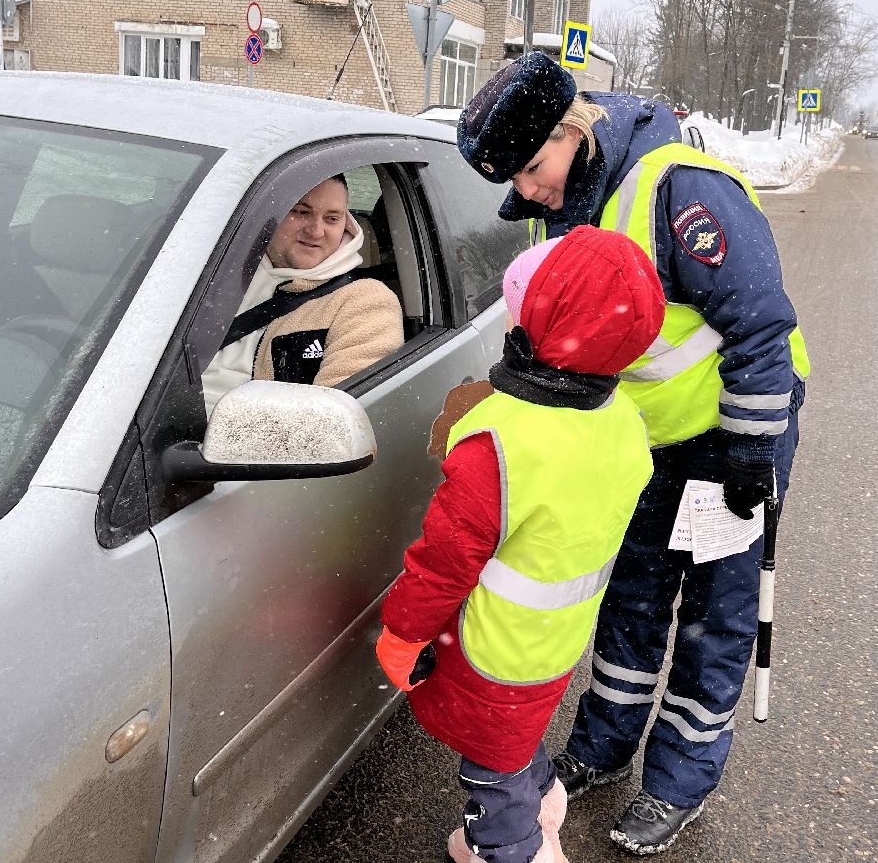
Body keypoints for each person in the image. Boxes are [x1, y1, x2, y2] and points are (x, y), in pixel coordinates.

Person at [455, 52, 810, 855]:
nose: (529, 190)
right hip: (640, 441)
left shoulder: (681, 189)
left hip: (730, 436)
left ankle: (680, 780)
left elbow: (760, 323)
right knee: (633, 596)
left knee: (714, 615)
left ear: (572, 128)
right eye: (514, 177)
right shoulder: (561, 201)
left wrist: (755, 449)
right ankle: (602, 748)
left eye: (534, 167)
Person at [376, 225, 666, 863]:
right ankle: (540, 800)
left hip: (491, 646)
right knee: (519, 735)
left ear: (538, 315)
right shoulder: (622, 422)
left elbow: (443, 564)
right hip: (557, 640)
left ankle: (513, 845)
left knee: (491, 770)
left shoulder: (500, 443)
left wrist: (402, 633)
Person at [200, 174, 403, 412]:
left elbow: (331, 422)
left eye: (332, 218)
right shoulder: (212, 273)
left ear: (345, 225)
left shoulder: (365, 302)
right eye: (302, 212)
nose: (316, 231)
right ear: (270, 216)